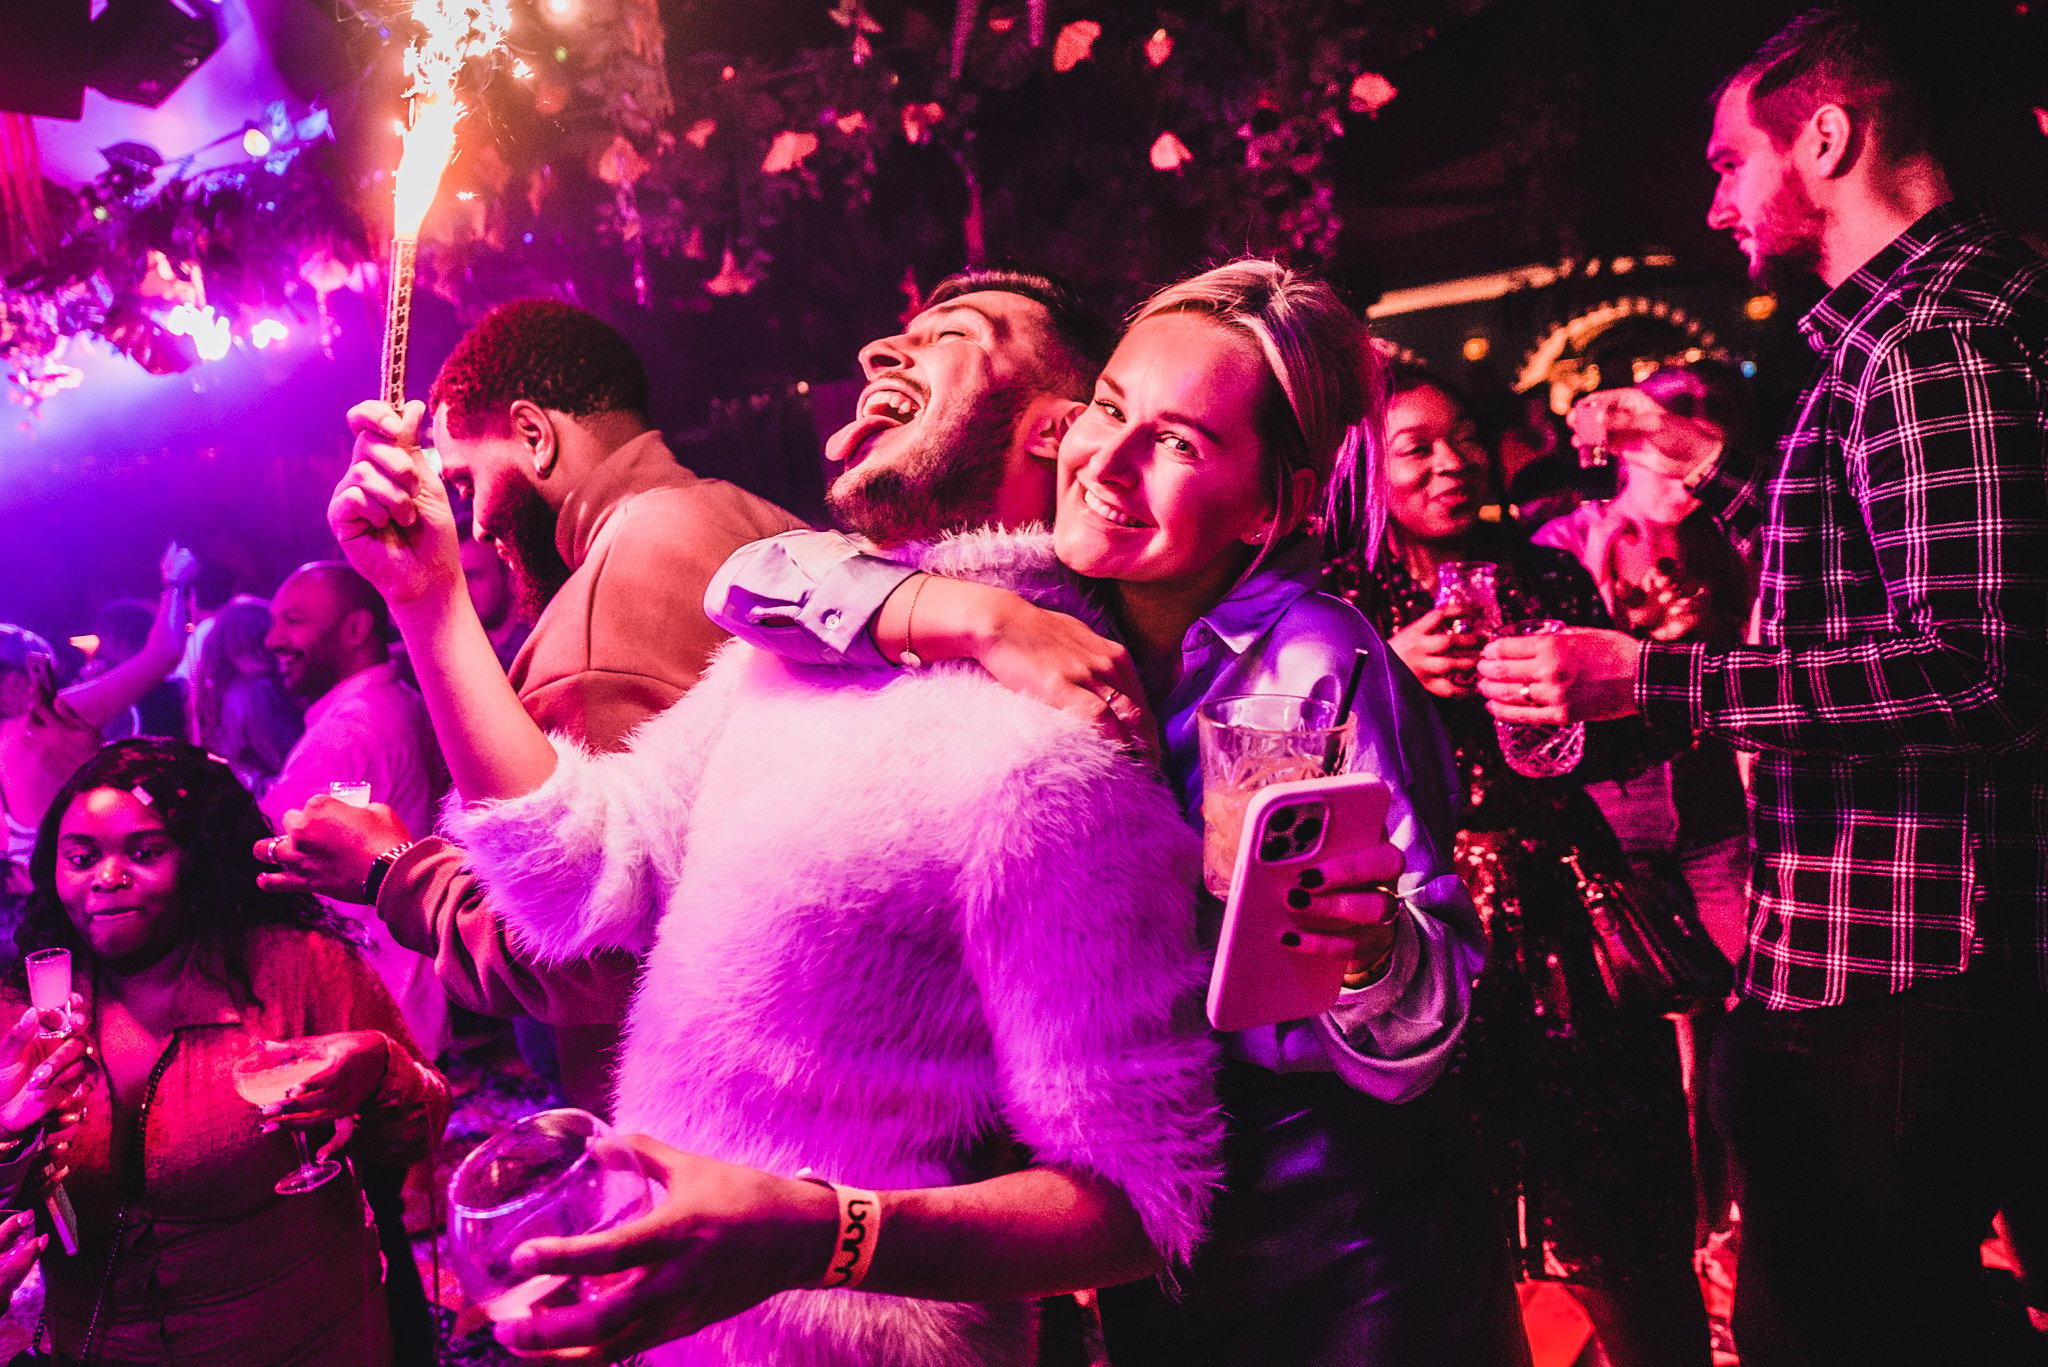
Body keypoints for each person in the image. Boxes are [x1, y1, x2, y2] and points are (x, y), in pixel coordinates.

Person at [327, 268, 1244, 1366]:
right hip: (666, 1327)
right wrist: (427, 602)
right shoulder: (792, 657)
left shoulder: (1057, 744)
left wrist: (820, 1232)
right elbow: (577, 871)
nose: (883, 355)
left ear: (1056, 432)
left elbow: (1140, 1203)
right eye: (895, 332)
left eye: (949, 336)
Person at [706, 265, 1523, 1367]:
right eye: (1108, 409)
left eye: (1180, 442)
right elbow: (754, 580)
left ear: (1271, 503)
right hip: (1141, 1225)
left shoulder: (1314, 660)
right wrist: (973, 616)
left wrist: (1363, 943)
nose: (1111, 462)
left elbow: (1426, 1028)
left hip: (1343, 1235)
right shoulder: (1052, 597)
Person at [1482, 8, 2048, 1364]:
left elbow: (1978, 664)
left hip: (1905, 954)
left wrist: (1649, 680)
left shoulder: (1929, 341)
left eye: (1732, 161)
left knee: (1840, 1331)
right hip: (1890, 947)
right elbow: (1868, 565)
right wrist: (1703, 463)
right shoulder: (1915, 333)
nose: (1716, 197)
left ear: (1830, 137)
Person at [258, 299, 805, 1115]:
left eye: (466, 479)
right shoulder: (759, 524)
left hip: (715, 1124)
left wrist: (391, 871)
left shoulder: (610, 592)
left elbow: (586, 948)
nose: (477, 523)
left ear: (536, 435)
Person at [1322, 363, 1710, 1367]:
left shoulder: (1541, 571)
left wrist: (1629, 680)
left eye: (1461, 436)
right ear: (1367, 471)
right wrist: (1386, 675)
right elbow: (1301, 768)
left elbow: (1627, 751)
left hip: (1567, 912)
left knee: (1621, 1215)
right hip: (1424, 923)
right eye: (1416, 446)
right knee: (1455, 1229)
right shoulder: (1339, 602)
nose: (1450, 461)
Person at [8, 738, 448, 1364]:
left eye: (144, 852)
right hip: (101, 1346)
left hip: (301, 1340)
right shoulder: (28, 1007)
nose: (106, 877)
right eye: (81, 856)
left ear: (200, 861)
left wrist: (381, 1073)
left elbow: (418, 1132)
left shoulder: (292, 967)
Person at [1532, 362, 1758, 962]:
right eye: (1666, 456)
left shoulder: (1727, 530)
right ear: (1630, 451)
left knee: (1740, 972)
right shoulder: (1566, 539)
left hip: (1711, 792)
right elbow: (1558, 668)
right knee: (1646, 981)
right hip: (1620, 799)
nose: (1683, 479)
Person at [258, 561, 452, 1060]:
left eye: (294, 620)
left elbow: (279, 856)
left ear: (355, 628)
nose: (273, 639)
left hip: (375, 993)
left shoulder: (348, 731)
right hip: (406, 978)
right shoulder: (399, 700)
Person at [4, 547, 196, 909]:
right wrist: (174, 581)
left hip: (23, 909)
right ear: (21, 676)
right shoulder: (55, 716)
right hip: (74, 903)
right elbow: (164, 653)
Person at [189, 595, 303, 799]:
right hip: (266, 801)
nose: (277, 643)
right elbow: (289, 762)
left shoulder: (222, 688)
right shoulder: (253, 692)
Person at [460, 531, 532, 671]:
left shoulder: (531, 654)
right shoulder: (469, 653)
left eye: (473, 576)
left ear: (510, 577)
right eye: (459, 579)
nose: (463, 589)